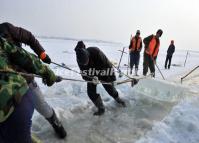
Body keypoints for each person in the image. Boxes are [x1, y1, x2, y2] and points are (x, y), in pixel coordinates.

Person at [0, 22, 66, 138]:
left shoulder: (6, 28)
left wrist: (42, 54)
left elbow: (29, 38)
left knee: (42, 106)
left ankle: (56, 124)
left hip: (26, 81)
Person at [74, 41, 126, 116]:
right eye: (84, 64)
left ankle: (119, 100)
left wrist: (112, 79)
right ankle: (101, 108)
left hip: (104, 71)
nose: (85, 64)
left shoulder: (96, 52)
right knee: (91, 93)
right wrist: (90, 79)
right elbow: (84, 74)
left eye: (86, 62)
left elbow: (108, 66)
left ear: (88, 56)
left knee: (110, 89)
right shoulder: (79, 59)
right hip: (91, 74)